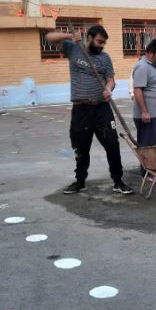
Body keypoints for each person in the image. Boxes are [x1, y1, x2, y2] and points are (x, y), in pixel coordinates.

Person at [45, 26, 133, 195]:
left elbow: (111, 80)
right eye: (99, 41)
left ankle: (118, 181)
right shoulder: (73, 49)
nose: (101, 45)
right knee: (81, 148)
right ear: (90, 37)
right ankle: (80, 182)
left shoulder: (105, 58)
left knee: (112, 144)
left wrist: (108, 89)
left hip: (101, 108)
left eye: (104, 43)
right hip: (81, 109)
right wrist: (70, 35)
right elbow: (49, 37)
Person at [132, 39, 156, 148]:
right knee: (148, 149)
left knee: (155, 148)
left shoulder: (151, 66)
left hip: (155, 116)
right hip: (148, 117)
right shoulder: (142, 67)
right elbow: (137, 90)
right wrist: (144, 112)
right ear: (150, 53)